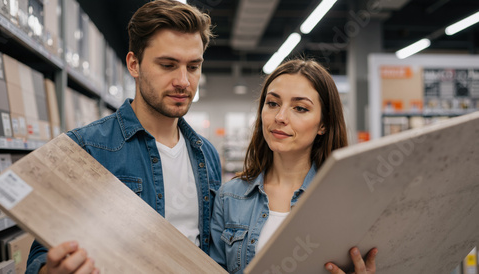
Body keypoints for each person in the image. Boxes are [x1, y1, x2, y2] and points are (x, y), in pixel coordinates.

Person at [26, 1, 221, 273]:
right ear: (134, 64)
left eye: (193, 67)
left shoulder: (206, 154)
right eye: (168, 65)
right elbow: (42, 256)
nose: (183, 82)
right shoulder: (86, 148)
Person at [209, 59, 378, 274]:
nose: (280, 117)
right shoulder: (230, 197)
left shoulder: (347, 199)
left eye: (299, 108)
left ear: (323, 124)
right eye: (272, 104)